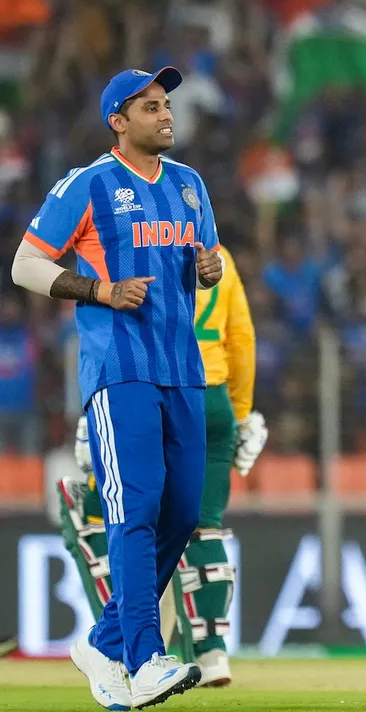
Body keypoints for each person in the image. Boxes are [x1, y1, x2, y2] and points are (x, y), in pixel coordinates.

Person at [10, 66, 225, 710]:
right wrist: (100, 290)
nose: (166, 114)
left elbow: (203, 264)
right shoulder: (88, 185)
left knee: (184, 511)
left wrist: (208, 269)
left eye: (166, 104)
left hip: (183, 368)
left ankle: (102, 643)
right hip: (119, 371)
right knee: (136, 508)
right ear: (118, 121)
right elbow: (26, 263)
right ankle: (144, 655)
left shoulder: (190, 187)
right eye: (152, 106)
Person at [60, 244, 267, 688]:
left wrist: (90, 414)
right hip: (213, 396)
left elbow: (119, 335)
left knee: (118, 513)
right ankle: (211, 654)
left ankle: (116, 638)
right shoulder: (219, 257)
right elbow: (243, 337)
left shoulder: (134, 251)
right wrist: (244, 412)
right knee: (203, 525)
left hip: (152, 387)